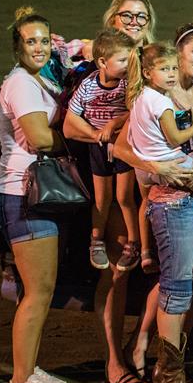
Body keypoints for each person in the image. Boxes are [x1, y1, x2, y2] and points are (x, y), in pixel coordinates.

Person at [113, 31, 193, 383]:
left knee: (190, 286)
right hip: (172, 198)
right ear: (177, 55)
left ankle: (169, 365)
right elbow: (122, 147)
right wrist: (156, 167)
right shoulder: (157, 96)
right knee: (176, 287)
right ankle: (169, 374)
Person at [0, 7, 76, 383]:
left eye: (43, 40)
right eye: (30, 41)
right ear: (17, 47)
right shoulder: (21, 83)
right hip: (22, 193)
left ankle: (29, 366)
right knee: (39, 290)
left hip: (29, 193)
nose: (38, 47)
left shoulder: (37, 79)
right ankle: (21, 379)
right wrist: (76, 140)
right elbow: (39, 138)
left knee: (37, 289)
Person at [125, 42, 193, 273]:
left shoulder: (140, 95)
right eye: (164, 69)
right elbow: (175, 137)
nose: (171, 75)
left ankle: (147, 252)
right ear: (147, 72)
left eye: (173, 69)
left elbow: (179, 120)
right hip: (173, 163)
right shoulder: (162, 101)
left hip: (145, 168)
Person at [64, 28, 141, 272]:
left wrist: (113, 124)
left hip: (123, 145)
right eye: (122, 60)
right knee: (101, 199)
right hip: (98, 147)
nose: (128, 66)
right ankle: (96, 240)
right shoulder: (88, 85)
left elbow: (137, 110)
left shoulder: (129, 83)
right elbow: (72, 118)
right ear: (102, 62)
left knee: (124, 197)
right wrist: (95, 134)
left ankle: (134, 243)